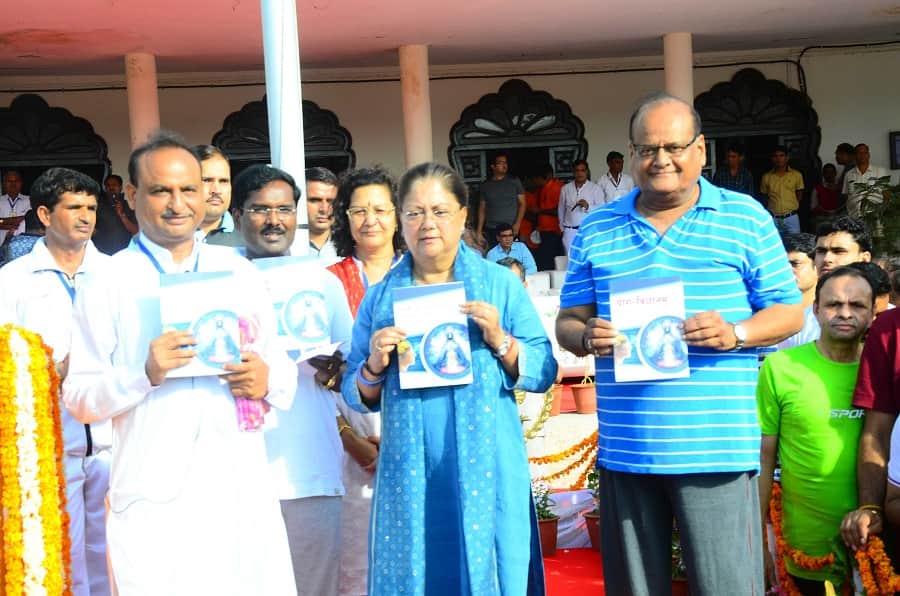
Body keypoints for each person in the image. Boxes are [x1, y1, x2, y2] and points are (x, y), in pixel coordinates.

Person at [555, 92, 803, 596]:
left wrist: (736, 333)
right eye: (647, 149)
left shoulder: (746, 217)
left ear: (701, 149)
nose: (661, 159)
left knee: (725, 586)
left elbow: (789, 312)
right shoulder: (598, 226)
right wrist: (585, 335)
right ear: (631, 153)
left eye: (674, 146)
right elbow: (568, 320)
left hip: (716, 448)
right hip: (628, 451)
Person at [62, 132, 297, 594]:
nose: (177, 204)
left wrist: (265, 379)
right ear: (132, 195)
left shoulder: (238, 271)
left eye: (188, 189)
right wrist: (144, 374)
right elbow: (80, 399)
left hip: (237, 490)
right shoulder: (108, 280)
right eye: (160, 191)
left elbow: (281, 368)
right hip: (153, 500)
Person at [341, 162, 557, 594]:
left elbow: (544, 370)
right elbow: (355, 390)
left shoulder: (498, 285)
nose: (427, 224)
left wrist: (501, 340)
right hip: (412, 469)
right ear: (400, 220)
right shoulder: (381, 298)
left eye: (440, 211)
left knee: (491, 569)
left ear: (462, 215)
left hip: (489, 461)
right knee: (420, 569)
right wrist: (374, 366)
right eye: (415, 212)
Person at [233, 164, 352, 596]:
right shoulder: (215, 284)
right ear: (236, 215)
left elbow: (352, 373)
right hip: (236, 474)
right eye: (260, 209)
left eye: (284, 209)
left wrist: (337, 370)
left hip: (309, 467)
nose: (274, 220)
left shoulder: (322, 284)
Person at [0, 167, 112, 596]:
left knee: (114, 554)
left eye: (91, 208)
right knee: (59, 554)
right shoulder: (13, 280)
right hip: (47, 443)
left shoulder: (116, 275)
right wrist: (43, 370)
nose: (85, 217)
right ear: (45, 214)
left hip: (113, 438)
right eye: (74, 207)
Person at [758, 267, 875, 594]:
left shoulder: (881, 371)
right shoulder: (780, 367)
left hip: (874, 542)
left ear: (872, 314)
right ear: (816, 309)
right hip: (805, 549)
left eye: (857, 305)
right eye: (834, 304)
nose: (845, 313)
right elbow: (762, 458)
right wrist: (757, 543)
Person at [326, 165, 403, 595]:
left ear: (397, 215)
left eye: (380, 209)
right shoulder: (326, 282)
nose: (370, 219)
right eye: (359, 210)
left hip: (413, 432)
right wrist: (347, 436)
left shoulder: (420, 277)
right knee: (357, 558)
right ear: (346, 218)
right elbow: (315, 373)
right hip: (351, 442)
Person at [777, 233, 820, 350]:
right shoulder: (766, 313)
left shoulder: (827, 316)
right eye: (782, 265)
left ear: (818, 266)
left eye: (795, 264)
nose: (787, 270)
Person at [195, 144, 243, 247]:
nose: (216, 190)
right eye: (207, 180)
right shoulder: (164, 235)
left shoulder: (250, 239)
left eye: (223, 181)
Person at [476, 153, 526, 248]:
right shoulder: (485, 185)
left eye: (505, 162)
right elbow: (482, 208)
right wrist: (479, 231)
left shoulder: (514, 181)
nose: (504, 165)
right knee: (494, 255)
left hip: (510, 228)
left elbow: (522, 204)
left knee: (512, 254)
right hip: (492, 229)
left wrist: (517, 224)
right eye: (500, 163)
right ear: (493, 166)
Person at [557, 159, 604, 255]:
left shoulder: (595, 188)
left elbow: (602, 210)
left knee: (587, 259)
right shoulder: (565, 189)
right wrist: (562, 229)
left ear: (587, 171)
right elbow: (561, 209)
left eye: (582, 170)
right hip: (570, 231)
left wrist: (588, 206)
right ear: (573, 172)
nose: (579, 173)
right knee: (571, 260)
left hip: (589, 231)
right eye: (577, 170)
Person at [760, 145, 805, 235]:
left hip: (791, 217)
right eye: (775, 156)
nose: (778, 159)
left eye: (781, 155)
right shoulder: (766, 177)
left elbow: (799, 195)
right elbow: (764, 196)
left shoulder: (796, 175)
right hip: (773, 217)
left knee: (794, 241)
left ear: (787, 158)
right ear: (772, 159)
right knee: (774, 241)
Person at [843, 143, 892, 219]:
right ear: (855, 156)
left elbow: (887, 195)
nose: (862, 155)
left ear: (868, 155)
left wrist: (882, 213)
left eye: (865, 152)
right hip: (854, 218)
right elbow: (846, 196)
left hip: (875, 218)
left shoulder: (880, 171)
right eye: (859, 153)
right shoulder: (848, 174)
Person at [93, 173, 138, 255]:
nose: (111, 187)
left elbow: (135, 231)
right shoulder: (97, 206)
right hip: (101, 253)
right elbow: (91, 229)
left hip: (124, 254)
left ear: (120, 187)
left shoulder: (129, 206)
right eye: (108, 185)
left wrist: (122, 215)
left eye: (114, 185)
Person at [303, 166, 340, 264]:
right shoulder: (284, 249)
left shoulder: (352, 247)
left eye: (330, 201)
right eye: (315, 200)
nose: (324, 209)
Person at [530, 163, 564, 270]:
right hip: (544, 231)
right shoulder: (543, 188)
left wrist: (540, 211)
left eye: (535, 179)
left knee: (551, 263)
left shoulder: (556, 188)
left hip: (554, 231)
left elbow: (560, 210)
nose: (534, 182)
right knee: (544, 261)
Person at [0, 169, 30, 245]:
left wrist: (3, 222)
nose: (13, 184)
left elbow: (30, 220)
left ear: (21, 183)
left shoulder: (30, 200)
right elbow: (21, 220)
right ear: (4, 183)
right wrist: (13, 221)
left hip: (23, 246)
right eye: (9, 181)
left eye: (16, 181)